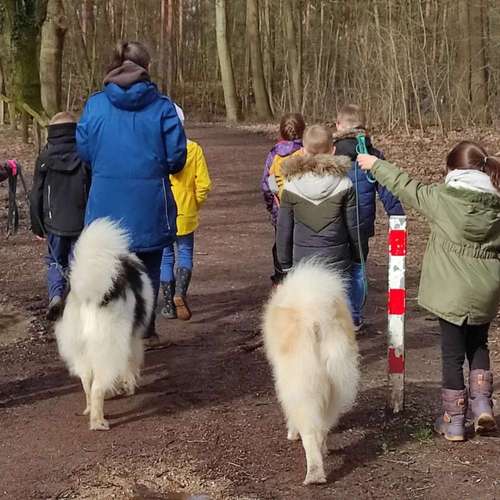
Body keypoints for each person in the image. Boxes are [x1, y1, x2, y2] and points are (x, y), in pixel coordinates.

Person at [358, 141, 500, 442]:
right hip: (487, 289)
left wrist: (375, 164)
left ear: (453, 171)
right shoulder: (497, 203)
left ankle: (454, 421)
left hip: (451, 291)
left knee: (451, 355)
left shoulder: (441, 198)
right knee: (479, 345)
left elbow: (406, 185)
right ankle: (483, 404)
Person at [77, 41, 187, 346]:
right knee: (149, 267)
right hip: (150, 205)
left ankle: (110, 334)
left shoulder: (95, 105)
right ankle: (142, 327)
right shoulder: (163, 107)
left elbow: (84, 152)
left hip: (105, 205)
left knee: (109, 273)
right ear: (145, 68)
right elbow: (177, 158)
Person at [333, 104, 404, 330]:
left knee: (335, 267)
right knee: (357, 268)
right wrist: (397, 217)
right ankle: (353, 316)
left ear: (338, 125)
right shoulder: (373, 155)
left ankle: (335, 316)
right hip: (361, 223)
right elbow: (387, 189)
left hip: (333, 222)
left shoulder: (330, 153)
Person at [276, 124, 363, 278]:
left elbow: (284, 229)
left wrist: (285, 264)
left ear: (302, 151)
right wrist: (358, 257)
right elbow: (354, 227)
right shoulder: (345, 184)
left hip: (302, 265)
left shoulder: (290, 186)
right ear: (333, 150)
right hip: (337, 264)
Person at [30, 112, 90, 321]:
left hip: (52, 221)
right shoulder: (84, 155)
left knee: (55, 261)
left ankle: (56, 296)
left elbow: (36, 192)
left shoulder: (45, 157)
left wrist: (37, 225)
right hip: (80, 220)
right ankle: (76, 301)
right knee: (78, 261)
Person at [160, 108, 212, 321]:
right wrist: (194, 203)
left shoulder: (157, 149)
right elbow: (204, 184)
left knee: (165, 257)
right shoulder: (194, 149)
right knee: (184, 253)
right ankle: (180, 294)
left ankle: (169, 305)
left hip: (162, 211)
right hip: (186, 210)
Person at [261, 113, 305, 285]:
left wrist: (272, 205)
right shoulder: (306, 153)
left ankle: (281, 280)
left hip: (280, 209)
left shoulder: (274, 155)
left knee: (281, 245)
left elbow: (268, 183)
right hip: (303, 210)